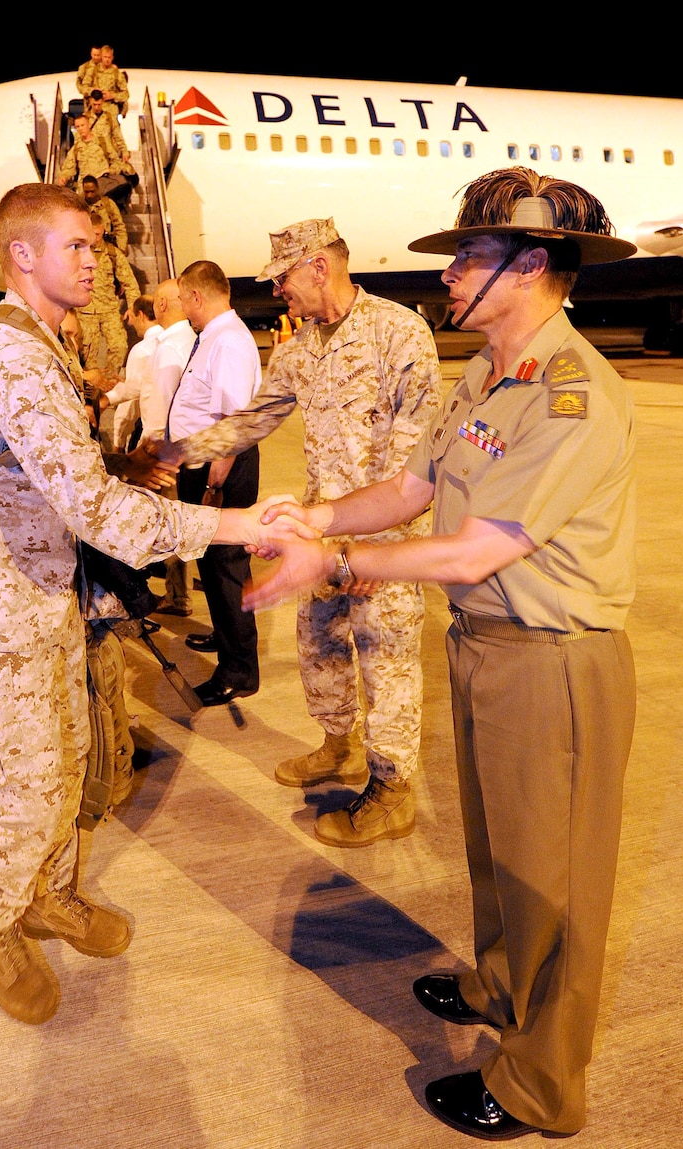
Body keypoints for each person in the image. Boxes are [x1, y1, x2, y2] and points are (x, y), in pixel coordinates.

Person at [244, 168, 638, 1139]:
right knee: (500, 856)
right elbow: (416, 485)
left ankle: (539, 1084)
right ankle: (498, 984)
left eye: (468, 253)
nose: (451, 269)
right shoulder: (488, 369)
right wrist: (320, 515)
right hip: (486, 648)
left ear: (531, 264)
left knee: (554, 879)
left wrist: (331, 561)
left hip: (554, 663)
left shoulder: (572, 393)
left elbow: (475, 547)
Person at [0, 182, 301, 1027]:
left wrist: (114, 470)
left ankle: (51, 894)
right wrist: (234, 520)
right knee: (19, 783)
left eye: (95, 245)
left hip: (47, 597)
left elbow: (54, 477)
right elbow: (100, 516)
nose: (95, 259)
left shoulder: (44, 342)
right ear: (22, 254)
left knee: (67, 763)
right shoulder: (10, 353)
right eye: (77, 246)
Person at [155, 219, 442, 842]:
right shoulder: (300, 348)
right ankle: (338, 744)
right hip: (317, 535)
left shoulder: (400, 332)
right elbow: (253, 419)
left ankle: (393, 789)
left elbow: (415, 459)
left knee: (387, 661)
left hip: (380, 539)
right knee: (321, 642)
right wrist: (171, 457)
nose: (278, 290)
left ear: (319, 266)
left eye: (282, 276)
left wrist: (372, 553)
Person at [170, 260, 263, 706]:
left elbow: (236, 421)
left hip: (219, 468)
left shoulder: (227, 342)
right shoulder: (215, 337)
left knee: (225, 568)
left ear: (196, 296)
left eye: (185, 299)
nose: (184, 309)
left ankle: (239, 671)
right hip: (205, 464)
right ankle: (227, 640)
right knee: (213, 566)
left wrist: (214, 483)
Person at [141, 277, 198, 617]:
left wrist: (150, 454)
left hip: (165, 451)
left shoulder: (168, 348)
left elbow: (160, 407)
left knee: (169, 524)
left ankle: (177, 597)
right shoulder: (192, 339)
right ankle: (182, 592)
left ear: (161, 305)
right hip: (187, 448)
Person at [76, 212, 139, 379]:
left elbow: (130, 284)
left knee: (119, 346)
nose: (95, 238)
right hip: (84, 311)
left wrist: (132, 307)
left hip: (109, 309)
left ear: (103, 230)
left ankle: (110, 382)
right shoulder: (77, 254)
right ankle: (92, 388)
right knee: (87, 353)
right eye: (92, 234)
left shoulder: (113, 254)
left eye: (98, 234)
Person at [103, 295, 160, 453]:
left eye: (133, 317)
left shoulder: (141, 350)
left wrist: (118, 442)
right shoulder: (178, 342)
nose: (132, 323)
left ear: (141, 315)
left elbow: (130, 404)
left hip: (148, 430)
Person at [81, 175, 128, 254]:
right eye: (87, 192)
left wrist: (122, 248)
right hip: (85, 248)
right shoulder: (78, 205)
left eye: (92, 191)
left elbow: (119, 227)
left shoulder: (108, 204)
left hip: (106, 248)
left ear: (97, 189)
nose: (89, 195)